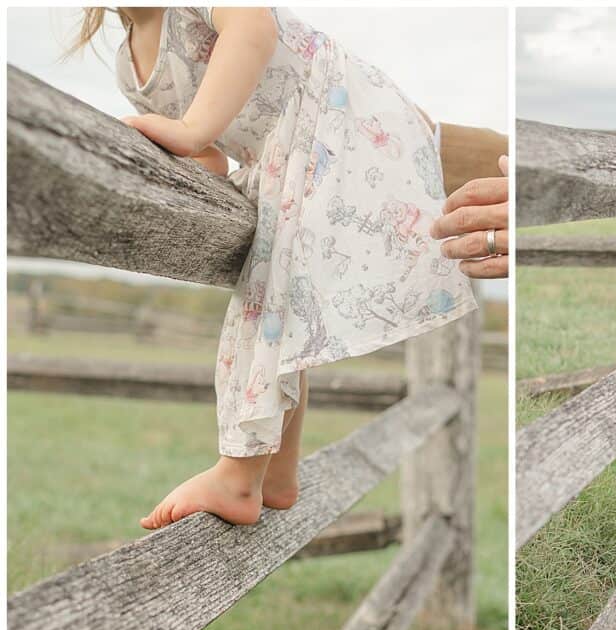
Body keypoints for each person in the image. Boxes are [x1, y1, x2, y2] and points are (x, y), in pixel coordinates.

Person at [67, 7, 483, 528]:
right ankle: (278, 472)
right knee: (276, 296)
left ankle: (241, 473)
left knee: (266, 291)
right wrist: (185, 146)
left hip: (336, 110)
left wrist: (192, 129)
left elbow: (254, 29)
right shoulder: (129, 68)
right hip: (283, 144)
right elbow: (213, 158)